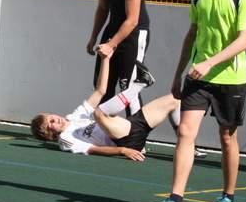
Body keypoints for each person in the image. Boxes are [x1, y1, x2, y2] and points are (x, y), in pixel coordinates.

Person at [150, 0, 246, 202]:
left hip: (231, 79)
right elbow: (192, 34)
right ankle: (175, 200)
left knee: (227, 138)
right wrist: (178, 74)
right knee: (185, 132)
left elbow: (244, 41)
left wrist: (211, 62)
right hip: (198, 77)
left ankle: (228, 197)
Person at [31, 48, 183, 161]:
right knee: (99, 113)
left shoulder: (74, 117)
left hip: (131, 126)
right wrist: (123, 150)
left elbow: (100, 91)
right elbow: (92, 149)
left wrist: (106, 58)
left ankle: (185, 144)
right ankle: (140, 84)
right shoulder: (65, 140)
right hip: (123, 140)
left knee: (174, 100)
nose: (55, 119)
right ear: (50, 134)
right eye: (51, 123)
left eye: (51, 117)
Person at [86, 0, 150, 118]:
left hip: (134, 35)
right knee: (102, 83)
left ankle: (136, 131)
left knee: (128, 86)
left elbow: (132, 21)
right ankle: (104, 128)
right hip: (113, 30)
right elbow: (102, 9)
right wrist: (94, 37)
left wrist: (111, 45)